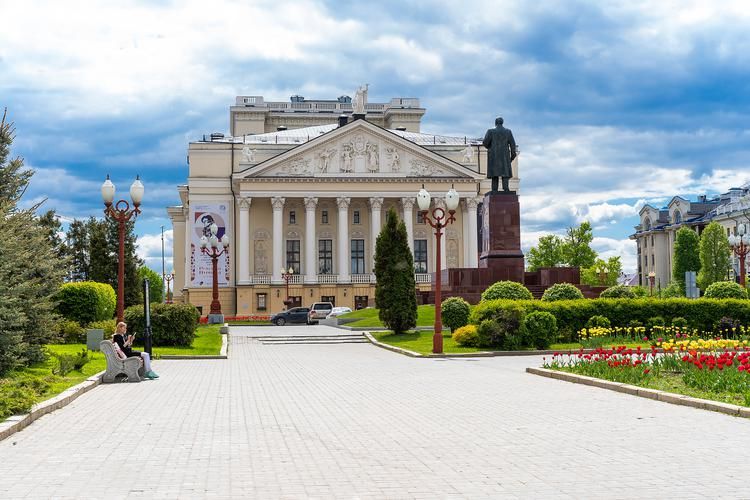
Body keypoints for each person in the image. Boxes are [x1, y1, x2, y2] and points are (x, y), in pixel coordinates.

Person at [482, 117, 517, 193]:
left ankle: (494, 189)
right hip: (505, 157)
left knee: (494, 174)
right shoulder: (508, 132)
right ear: (502, 123)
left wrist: (490, 147)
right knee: (505, 173)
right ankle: (506, 188)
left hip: (493, 157)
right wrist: (512, 156)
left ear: (495, 123)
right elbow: (513, 145)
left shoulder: (490, 131)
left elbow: (485, 143)